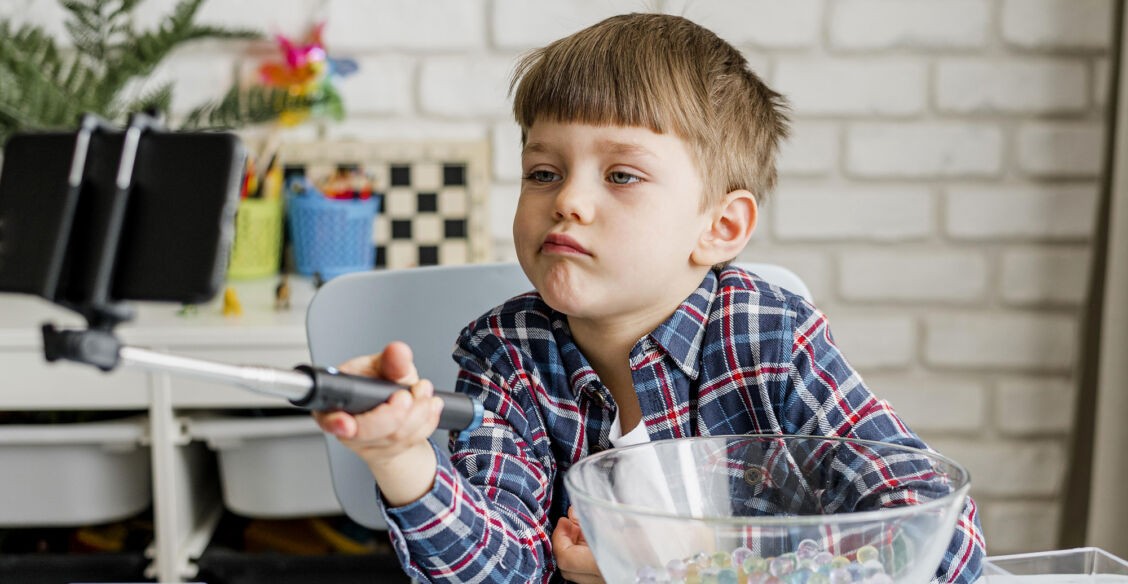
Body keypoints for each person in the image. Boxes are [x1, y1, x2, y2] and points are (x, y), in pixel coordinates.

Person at [313, 12, 985, 584]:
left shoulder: (771, 339)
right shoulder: (506, 355)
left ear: (719, 227)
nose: (568, 200)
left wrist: (673, 566)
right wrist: (402, 458)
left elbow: (942, 540)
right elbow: (505, 568)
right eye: (543, 172)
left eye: (622, 175)